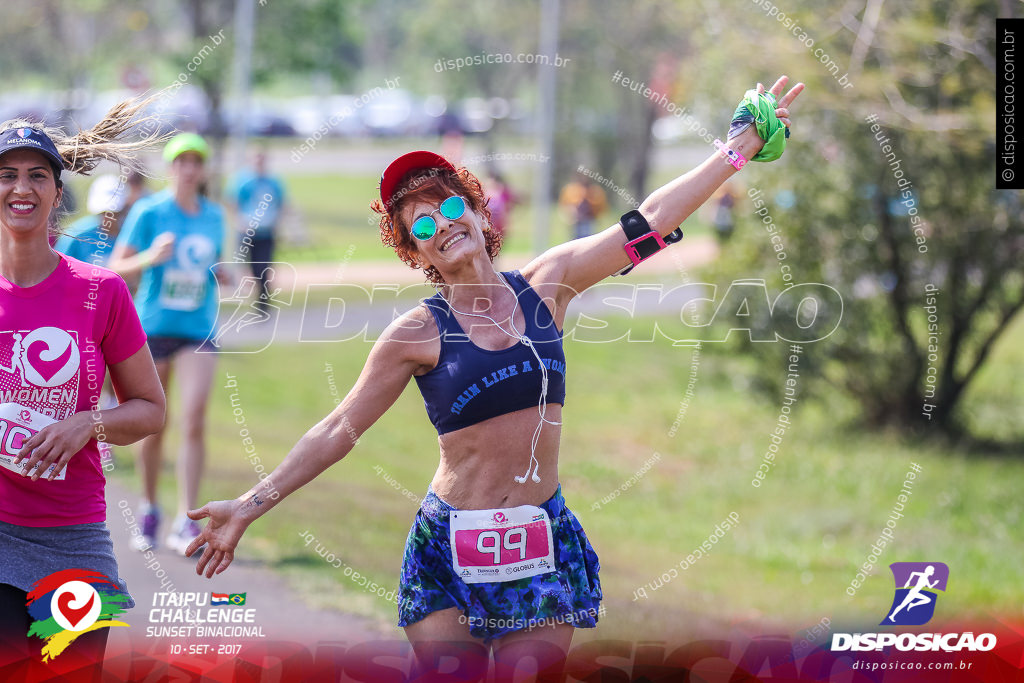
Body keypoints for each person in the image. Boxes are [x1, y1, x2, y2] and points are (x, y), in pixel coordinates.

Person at [185, 77, 803, 679]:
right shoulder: (415, 335)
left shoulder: (548, 285)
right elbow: (338, 429)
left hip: (539, 539)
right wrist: (249, 504)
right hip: (449, 548)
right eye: (420, 224)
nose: (442, 224)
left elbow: (648, 220)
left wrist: (737, 148)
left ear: (479, 212)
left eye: (449, 206)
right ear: (415, 252)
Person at [0, 107, 165, 675]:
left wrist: (87, 423)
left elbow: (150, 410)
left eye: (36, 175)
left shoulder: (101, 291)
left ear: (56, 194)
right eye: (6, 175)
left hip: (73, 539)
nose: (20, 187)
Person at [109, 132, 227, 556]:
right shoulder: (148, 212)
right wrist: (149, 257)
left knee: (194, 419)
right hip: (152, 329)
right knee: (152, 424)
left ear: (203, 168)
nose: (189, 169)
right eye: (181, 161)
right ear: (171, 167)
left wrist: (224, 273)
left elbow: (211, 263)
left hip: (198, 329)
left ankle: (185, 518)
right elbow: (115, 266)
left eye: (196, 161)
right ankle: (149, 510)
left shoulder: (214, 215)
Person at [228, 150, 286, 312]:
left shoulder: (273, 182)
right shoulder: (243, 181)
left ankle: (263, 305)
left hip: (267, 232)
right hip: (248, 232)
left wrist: (278, 223)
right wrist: (239, 221)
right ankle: (246, 297)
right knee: (250, 269)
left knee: (264, 269)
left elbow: (281, 204)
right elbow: (233, 201)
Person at [559, 173, 607, 240]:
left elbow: (600, 206)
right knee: (575, 241)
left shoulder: (595, 191)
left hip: (589, 221)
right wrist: (572, 212)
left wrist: (591, 211)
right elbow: (565, 205)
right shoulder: (572, 190)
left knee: (589, 241)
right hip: (576, 222)